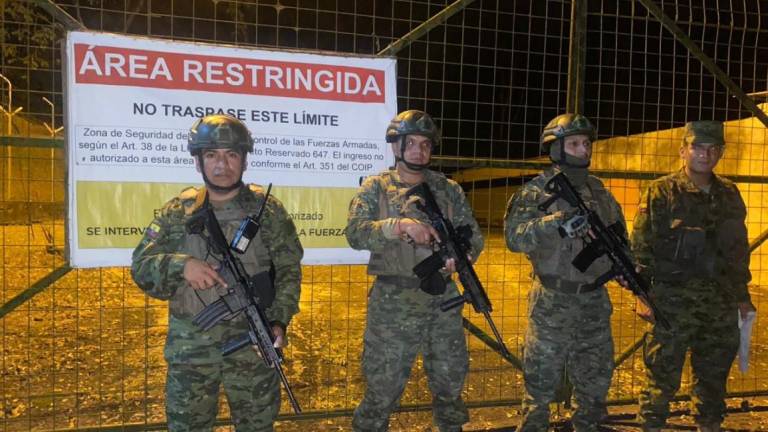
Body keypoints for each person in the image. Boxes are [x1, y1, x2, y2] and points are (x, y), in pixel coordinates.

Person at [131, 114, 303, 431]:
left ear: (244, 160)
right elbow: (141, 267)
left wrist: (278, 321)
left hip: (253, 347)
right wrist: (182, 265)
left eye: (231, 155)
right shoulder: (177, 212)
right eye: (212, 155)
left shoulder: (268, 211)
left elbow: (289, 270)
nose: (222, 165)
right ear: (198, 162)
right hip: (191, 351)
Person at [346, 109, 484, 432]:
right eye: (412, 144)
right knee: (383, 385)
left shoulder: (448, 189)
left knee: (450, 380)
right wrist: (398, 226)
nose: (420, 150)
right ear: (396, 147)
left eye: (426, 144)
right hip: (393, 301)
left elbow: (473, 236)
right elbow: (355, 233)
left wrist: (460, 256)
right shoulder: (375, 188)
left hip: (443, 299)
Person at [504, 113, 626, 432]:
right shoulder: (536, 191)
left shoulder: (599, 191)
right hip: (552, 299)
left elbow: (621, 238)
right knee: (540, 379)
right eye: (574, 143)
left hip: (594, 299)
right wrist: (555, 224)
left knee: (595, 376)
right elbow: (514, 238)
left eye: (586, 143)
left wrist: (626, 267)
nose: (583, 149)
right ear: (556, 148)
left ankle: (587, 424)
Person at [632, 120, 754, 432]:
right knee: (661, 378)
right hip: (672, 303)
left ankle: (709, 426)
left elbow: (737, 250)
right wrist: (641, 295)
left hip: (720, 302)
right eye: (698, 146)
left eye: (713, 148)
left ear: (721, 152)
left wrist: (742, 297)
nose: (706, 153)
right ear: (683, 150)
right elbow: (642, 248)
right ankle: (651, 427)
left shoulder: (729, 193)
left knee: (713, 378)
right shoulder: (661, 191)